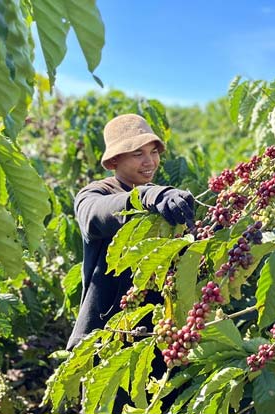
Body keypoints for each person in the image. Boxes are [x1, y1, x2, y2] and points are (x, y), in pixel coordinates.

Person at [66, 113, 195, 411]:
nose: (149, 161)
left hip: (162, 338)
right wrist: (148, 196)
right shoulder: (96, 194)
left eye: (153, 152)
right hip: (107, 340)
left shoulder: (165, 202)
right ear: (113, 162)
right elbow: (96, 215)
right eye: (137, 154)